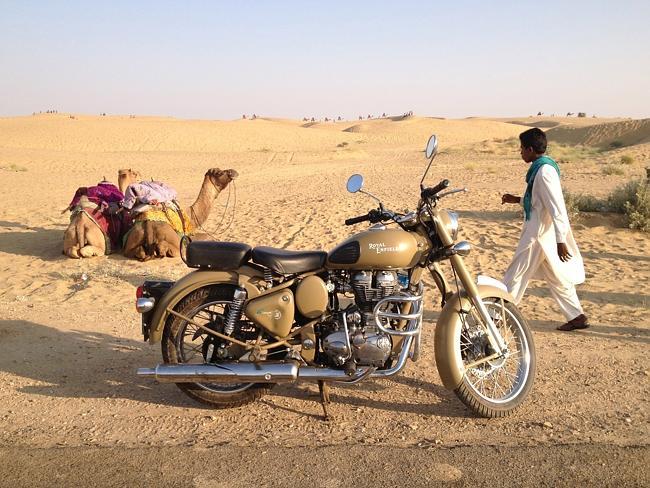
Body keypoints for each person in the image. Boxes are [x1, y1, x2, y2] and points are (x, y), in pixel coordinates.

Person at [501, 128, 588, 331]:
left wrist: (561, 241)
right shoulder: (539, 169)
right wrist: (518, 200)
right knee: (555, 276)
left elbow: (557, 207)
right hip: (541, 232)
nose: (520, 152)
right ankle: (577, 316)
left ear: (531, 149)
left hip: (539, 235)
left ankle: (500, 313)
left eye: (522, 148)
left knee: (516, 272)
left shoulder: (545, 171)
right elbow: (538, 202)